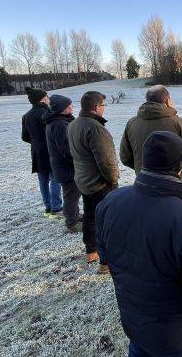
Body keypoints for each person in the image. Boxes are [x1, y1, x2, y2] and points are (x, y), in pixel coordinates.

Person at [96, 131, 182, 357]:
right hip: (173, 334)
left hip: (134, 320)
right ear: (179, 165)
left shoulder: (110, 202)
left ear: (144, 159)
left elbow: (106, 258)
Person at [68, 91, 119, 272]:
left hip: (83, 180)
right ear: (96, 107)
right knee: (106, 220)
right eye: (103, 105)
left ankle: (91, 250)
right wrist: (113, 180)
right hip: (100, 183)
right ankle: (106, 262)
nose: (104, 109)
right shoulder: (95, 128)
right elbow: (106, 160)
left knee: (90, 215)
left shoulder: (74, 124)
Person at [120, 85, 182, 185]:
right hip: (175, 185)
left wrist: (142, 170)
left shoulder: (131, 123)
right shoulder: (179, 124)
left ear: (147, 100)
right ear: (168, 101)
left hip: (144, 184)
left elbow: (125, 157)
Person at [21, 87, 63, 218]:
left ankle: (48, 208)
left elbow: (24, 137)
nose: (48, 98)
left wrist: (36, 143)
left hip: (36, 152)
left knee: (43, 180)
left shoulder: (26, 116)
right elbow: (52, 133)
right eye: (46, 96)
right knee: (56, 178)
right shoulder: (47, 113)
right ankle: (57, 208)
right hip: (50, 151)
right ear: (42, 99)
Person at [44, 94, 82, 232]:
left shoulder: (62, 120)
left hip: (65, 165)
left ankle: (74, 215)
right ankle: (72, 223)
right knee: (71, 194)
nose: (72, 107)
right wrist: (79, 159)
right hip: (66, 166)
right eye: (69, 105)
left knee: (73, 193)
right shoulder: (59, 124)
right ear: (61, 108)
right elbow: (66, 149)